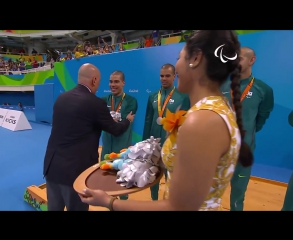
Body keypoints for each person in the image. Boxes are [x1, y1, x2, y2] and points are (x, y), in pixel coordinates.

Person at [78, 30, 254, 211]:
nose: (176, 66)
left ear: (196, 59)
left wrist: (109, 202)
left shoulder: (202, 121)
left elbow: (177, 207)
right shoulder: (213, 110)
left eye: (179, 57)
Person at [43, 63, 135, 211]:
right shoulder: (96, 103)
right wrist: (127, 121)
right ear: (94, 80)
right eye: (99, 82)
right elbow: (115, 130)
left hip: (52, 168)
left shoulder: (62, 98)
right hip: (75, 173)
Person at [221, 47, 274, 211]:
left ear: (252, 60)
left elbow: (262, 117)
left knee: (238, 193)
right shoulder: (219, 85)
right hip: (217, 149)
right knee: (208, 191)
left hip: (244, 150)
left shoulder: (263, 89)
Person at [142, 63, 190, 201]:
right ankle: (154, 202)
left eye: (167, 76)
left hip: (173, 146)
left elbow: (187, 122)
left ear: (174, 76)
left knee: (172, 179)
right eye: (161, 76)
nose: (164, 78)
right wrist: (145, 143)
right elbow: (148, 121)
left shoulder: (183, 97)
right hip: (154, 145)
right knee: (152, 176)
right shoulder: (152, 96)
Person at [101, 70, 138, 201]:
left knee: (123, 184)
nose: (113, 84)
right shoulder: (103, 100)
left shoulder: (131, 101)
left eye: (116, 81)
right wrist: (115, 121)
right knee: (105, 181)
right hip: (106, 148)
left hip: (122, 149)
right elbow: (107, 121)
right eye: (111, 81)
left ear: (123, 83)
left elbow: (121, 126)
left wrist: (109, 121)